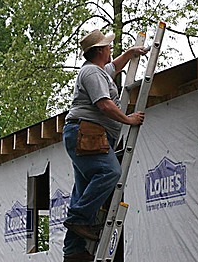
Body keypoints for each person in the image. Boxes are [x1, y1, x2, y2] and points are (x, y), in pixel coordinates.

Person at [62, 29, 149, 262]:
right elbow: (104, 104)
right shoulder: (91, 73)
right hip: (87, 132)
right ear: (100, 51)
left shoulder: (99, 71)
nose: (111, 49)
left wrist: (130, 53)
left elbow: (114, 67)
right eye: (108, 47)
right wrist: (128, 119)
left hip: (87, 133)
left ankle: (74, 252)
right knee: (110, 172)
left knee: (82, 190)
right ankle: (79, 218)